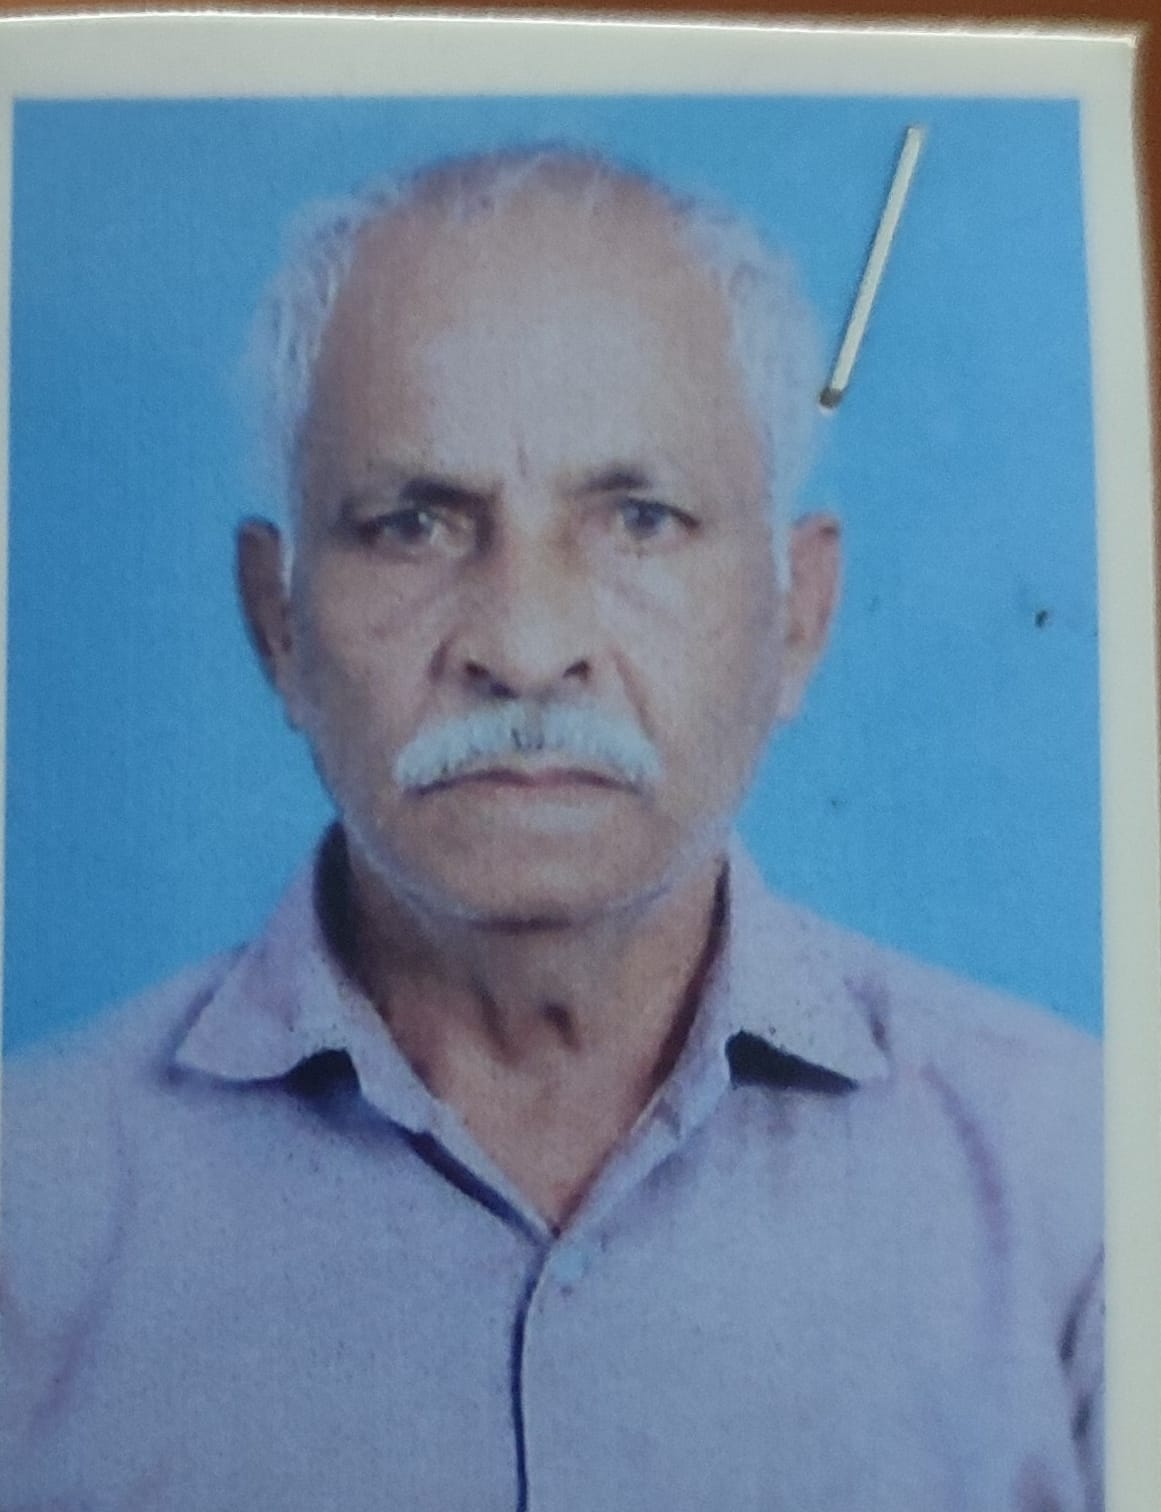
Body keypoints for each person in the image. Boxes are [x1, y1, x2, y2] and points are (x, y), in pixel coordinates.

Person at [0, 147, 1102, 1512]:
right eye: (413, 524)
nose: (525, 648)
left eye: (639, 520)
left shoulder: (1084, 1193)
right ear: (276, 623)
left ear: (799, 616)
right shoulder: (28, 1220)